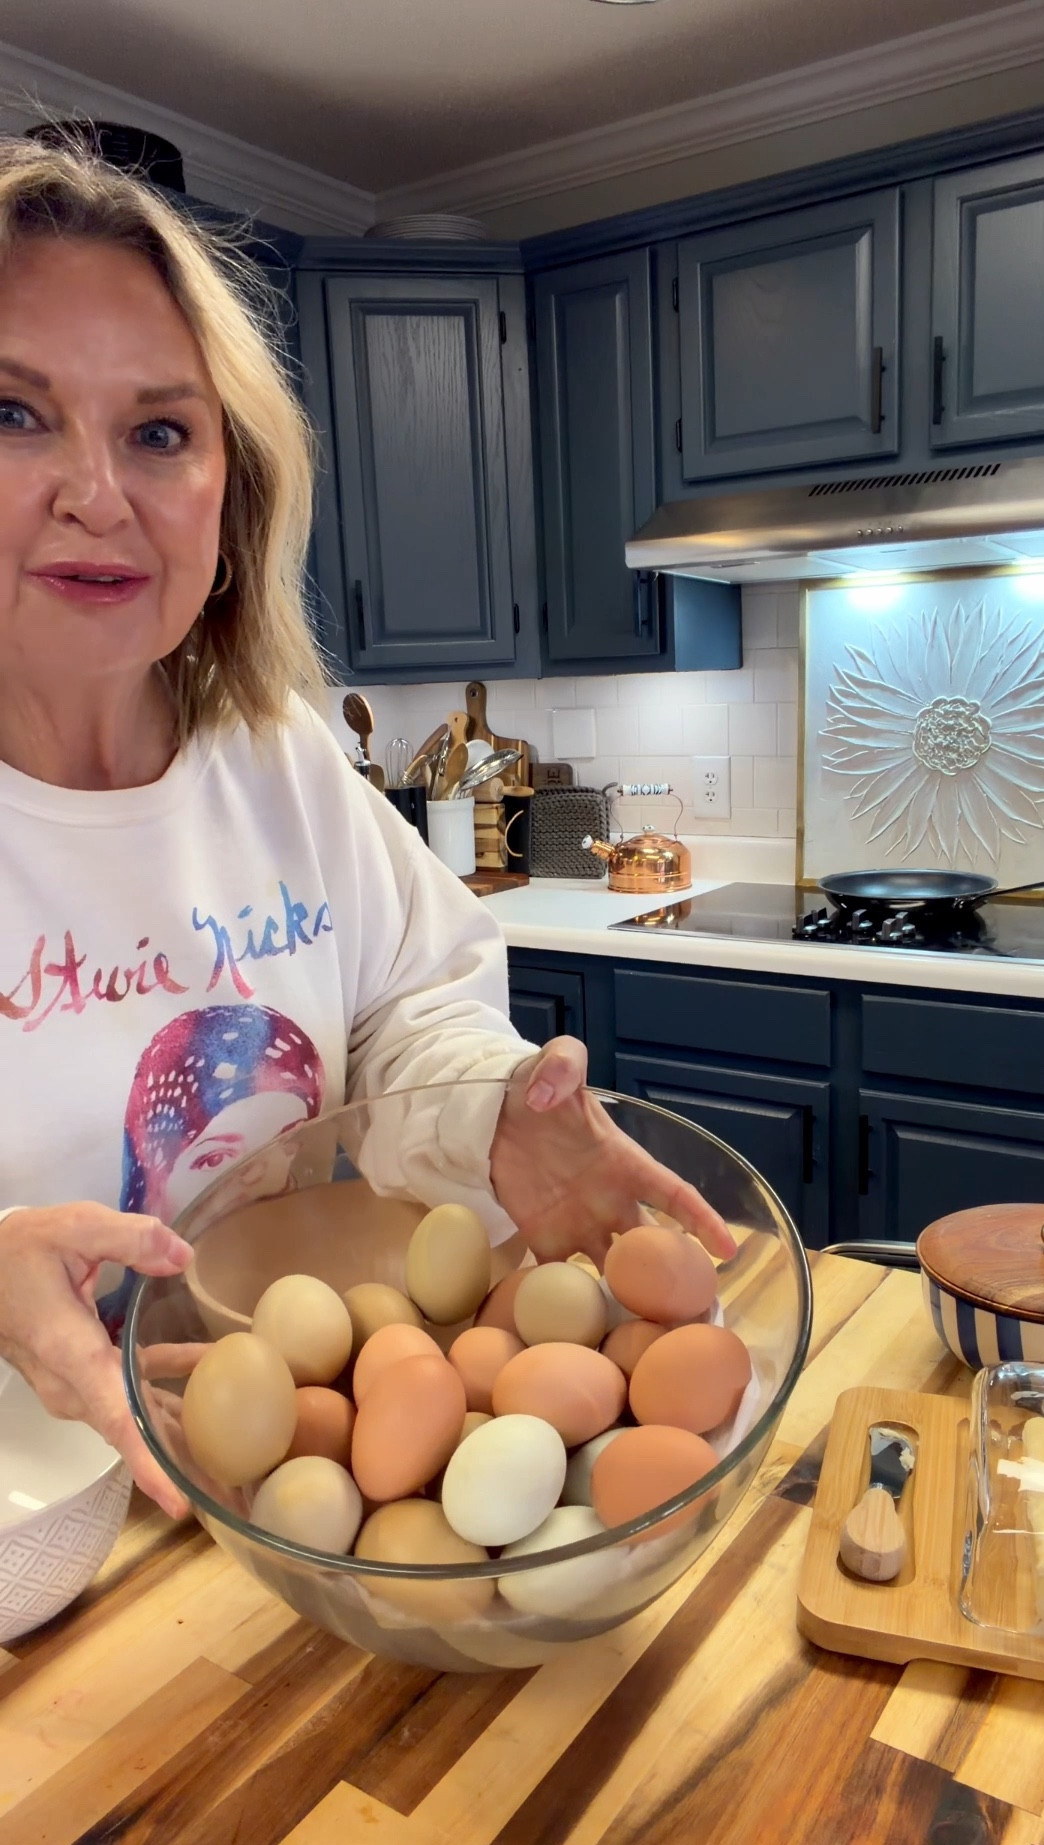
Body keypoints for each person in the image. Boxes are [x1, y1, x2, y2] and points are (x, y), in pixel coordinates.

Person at [0, 136, 733, 1519]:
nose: (99, 494)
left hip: (274, 1513)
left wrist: (498, 1114)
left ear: (233, 489)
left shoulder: (278, 768)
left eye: (160, 430)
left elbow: (406, 1011)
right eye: (13, 412)